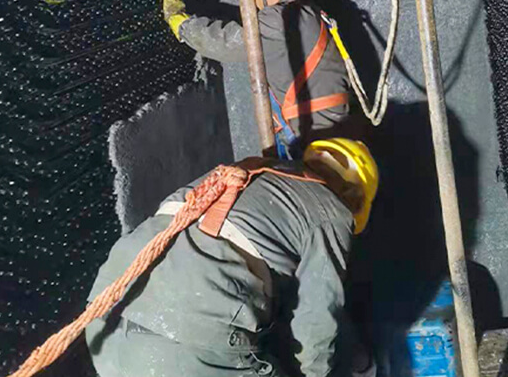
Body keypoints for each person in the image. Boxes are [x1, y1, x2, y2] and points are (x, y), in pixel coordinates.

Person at [85, 138, 379, 377]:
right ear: (354, 197)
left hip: (106, 319)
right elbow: (316, 321)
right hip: (189, 339)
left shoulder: (252, 169)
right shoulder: (332, 212)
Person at [162, 0, 352, 158]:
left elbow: (225, 42)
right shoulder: (306, 11)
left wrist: (179, 22)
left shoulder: (280, 19)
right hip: (332, 130)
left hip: (317, 141)